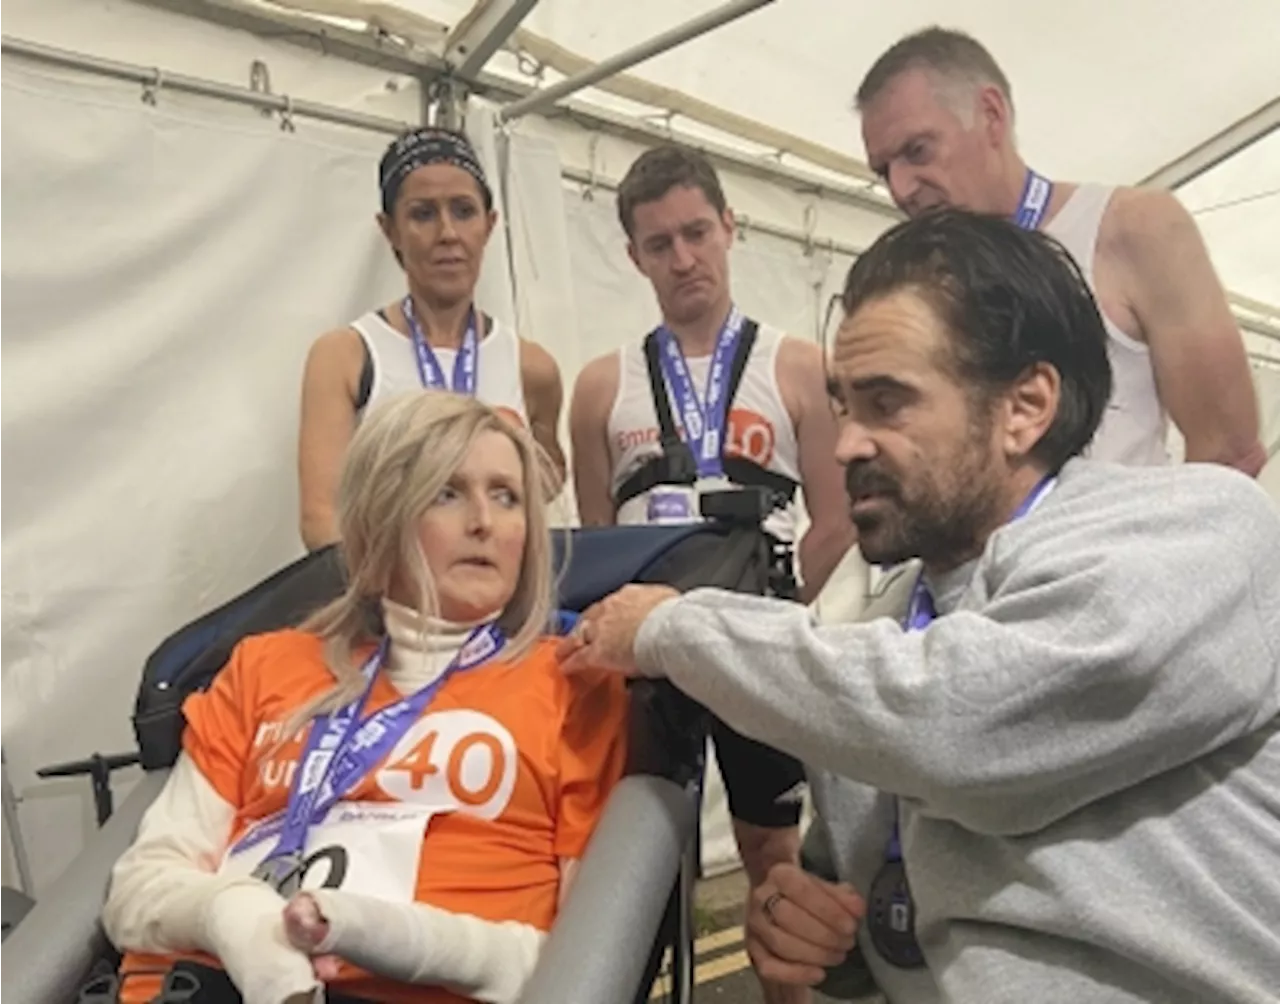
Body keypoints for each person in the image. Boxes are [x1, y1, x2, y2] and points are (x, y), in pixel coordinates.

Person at [560, 209, 1280, 1004]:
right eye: (843, 406)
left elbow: (962, 723)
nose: (844, 446)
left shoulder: (1200, 532)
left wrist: (672, 626)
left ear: (1025, 407)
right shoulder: (879, 638)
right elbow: (887, 925)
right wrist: (812, 931)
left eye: (887, 402)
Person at [104, 391, 628, 1004]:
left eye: (506, 496)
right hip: (204, 983)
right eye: (447, 492)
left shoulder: (571, 682)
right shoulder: (266, 666)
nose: (484, 521)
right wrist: (238, 920)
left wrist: (379, 932)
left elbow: (581, 961)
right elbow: (138, 890)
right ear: (382, 518)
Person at [568, 143, 856, 1003]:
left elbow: (837, 518)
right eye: (660, 244)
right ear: (634, 256)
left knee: (772, 851)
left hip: (753, 646)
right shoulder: (598, 386)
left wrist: (774, 608)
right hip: (641, 659)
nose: (683, 258)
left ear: (732, 228)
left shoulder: (797, 366)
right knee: (636, 853)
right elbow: (594, 535)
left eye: (697, 232)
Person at [854, 25, 1265, 476]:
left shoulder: (1132, 228)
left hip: (1116, 544)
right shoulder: (920, 283)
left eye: (917, 151)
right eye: (883, 171)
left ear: (991, 115)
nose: (901, 188)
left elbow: (1231, 453)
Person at [298, 127, 567, 552]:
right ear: (390, 230)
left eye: (463, 211)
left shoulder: (531, 367)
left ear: (490, 224)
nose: (447, 233)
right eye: (423, 214)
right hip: (388, 606)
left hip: (498, 607)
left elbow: (545, 489)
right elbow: (322, 520)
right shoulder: (346, 356)